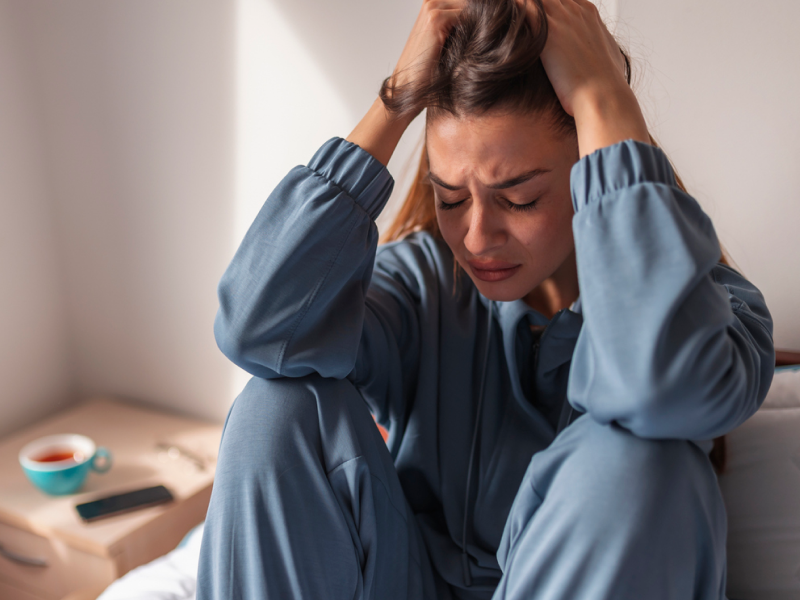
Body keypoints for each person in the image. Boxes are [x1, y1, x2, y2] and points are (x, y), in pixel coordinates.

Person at [197, 0, 775, 598]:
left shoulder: (720, 317)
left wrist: (605, 100)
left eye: (519, 199)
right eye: (450, 199)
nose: (475, 238)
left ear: (589, 161)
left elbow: (659, 387)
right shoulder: (423, 285)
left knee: (639, 465)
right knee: (275, 409)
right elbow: (258, 331)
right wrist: (395, 102)